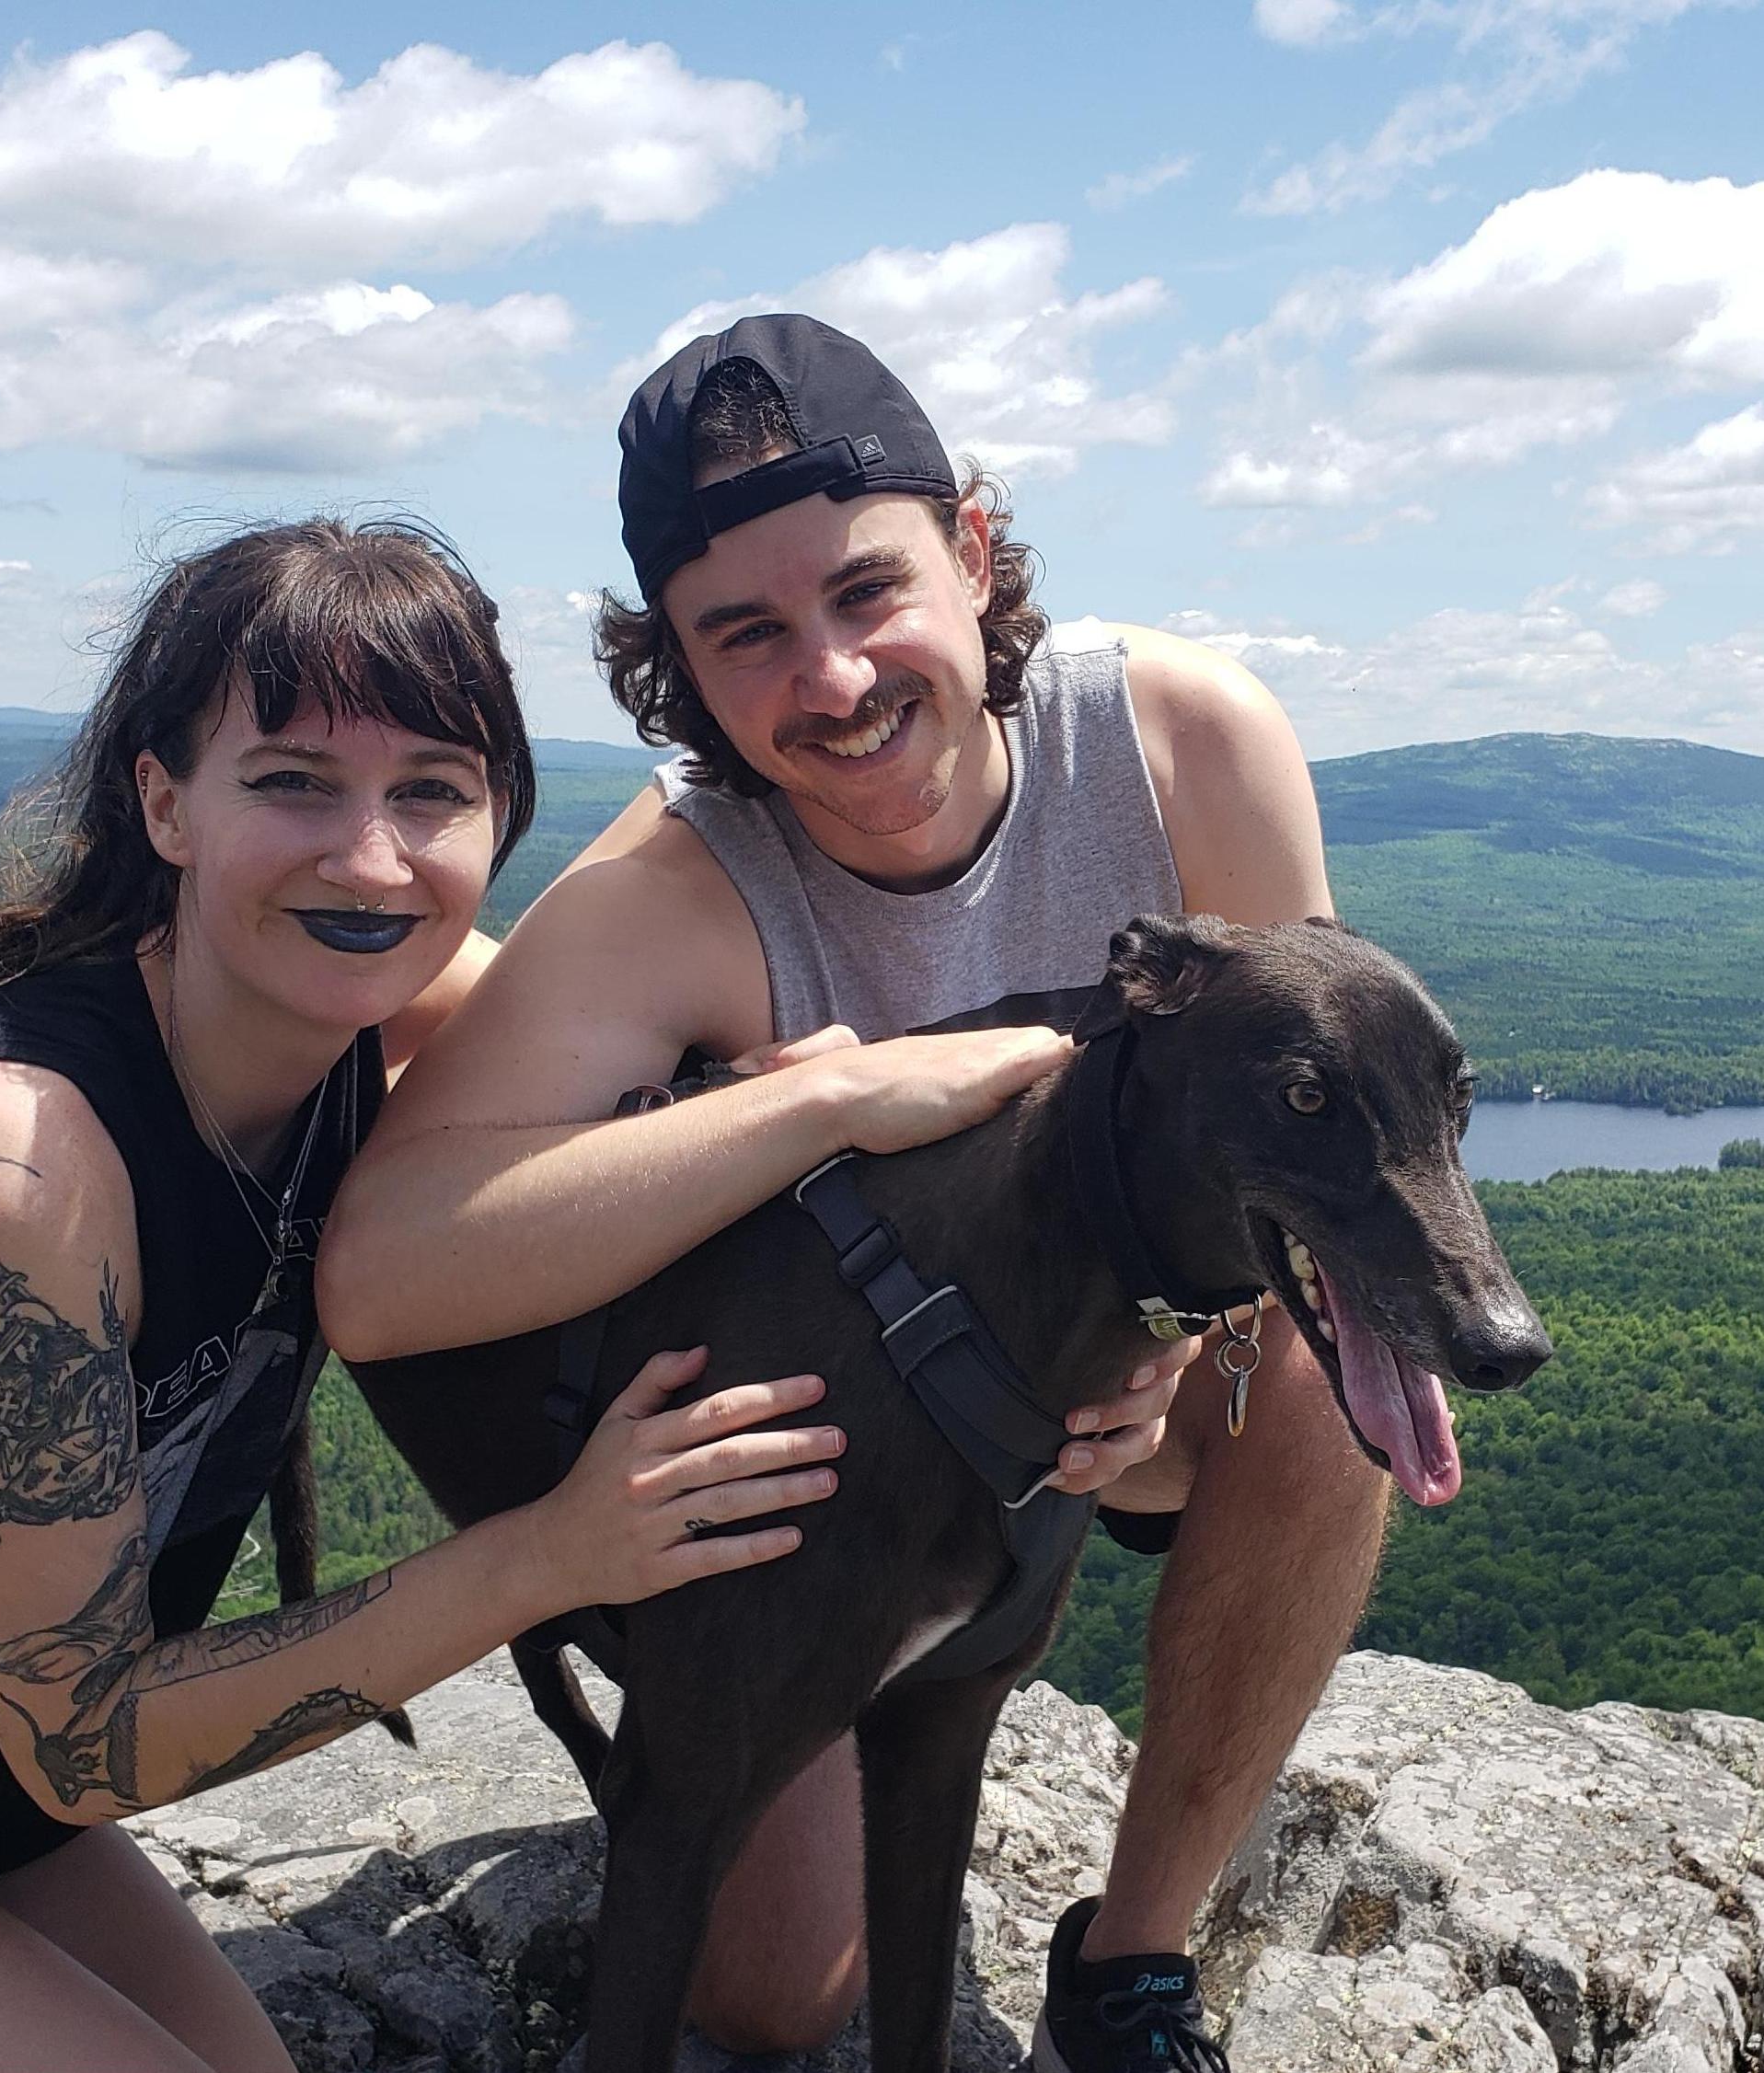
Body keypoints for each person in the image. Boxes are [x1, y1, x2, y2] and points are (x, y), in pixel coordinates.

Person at [319, 320, 1389, 2070]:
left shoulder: (1179, 746)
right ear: (675, 663)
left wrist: (1185, 1348)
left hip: (1137, 1375)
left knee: (1342, 1398)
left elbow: (1316, 1143)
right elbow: (384, 1269)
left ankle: (1129, 1962)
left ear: (969, 550)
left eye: (864, 591)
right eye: (744, 635)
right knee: (766, 1996)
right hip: (869, 1462)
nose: (827, 678)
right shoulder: (676, 888)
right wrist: (822, 1098)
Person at [0, 517, 858, 2073]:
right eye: (293, 780)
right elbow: (87, 1736)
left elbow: (616, 1156)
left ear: (495, 816)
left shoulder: (389, 1007)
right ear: (165, 801)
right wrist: (552, 1551)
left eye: (430, 791)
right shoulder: (12, 1174)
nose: (370, 858)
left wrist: (799, 1104)